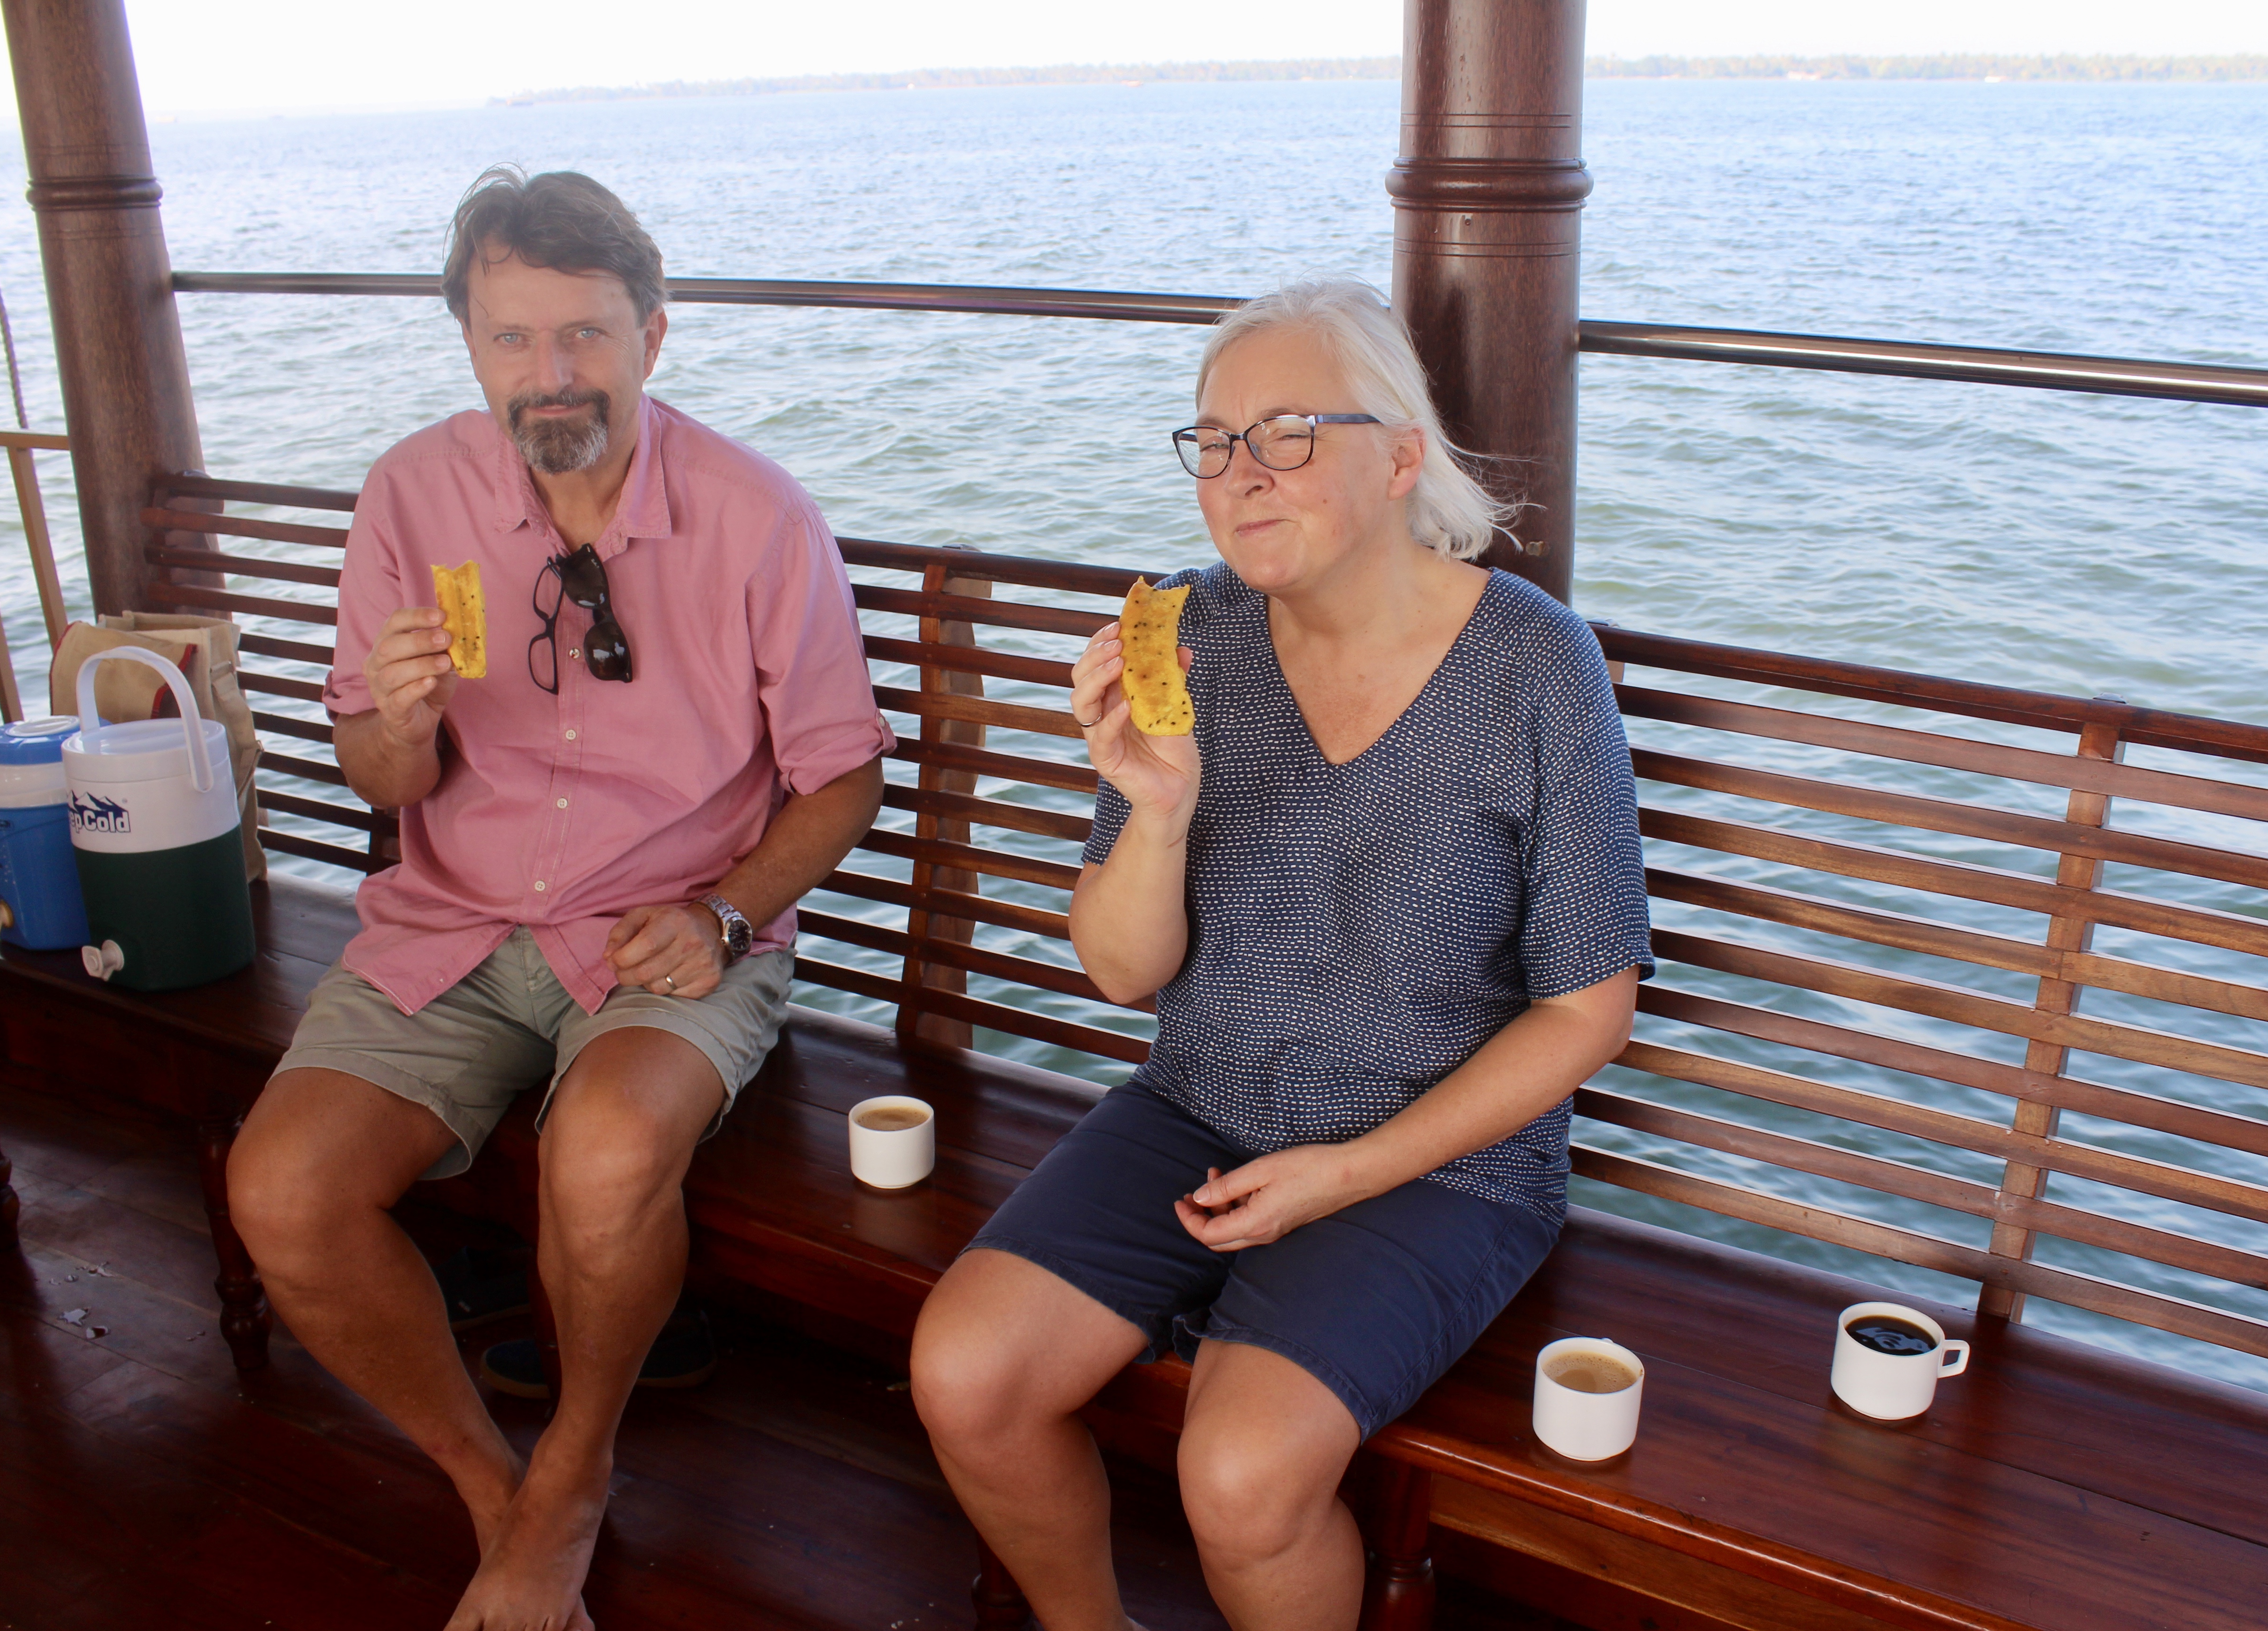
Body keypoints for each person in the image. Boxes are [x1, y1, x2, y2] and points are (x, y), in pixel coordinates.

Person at [909, 279, 1651, 1631]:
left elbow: (1588, 1008)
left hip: (1441, 1162)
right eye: (1214, 441)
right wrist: (1158, 809)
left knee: (1243, 1476)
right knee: (968, 1374)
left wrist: (1342, 1176)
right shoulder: (1188, 640)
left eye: (1290, 434)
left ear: (1402, 457)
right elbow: (1124, 974)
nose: (1241, 474)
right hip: (1203, 1105)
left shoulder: (1538, 667)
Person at [226, 167, 892, 1631]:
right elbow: (383, 777)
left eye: (585, 333)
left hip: (671, 927)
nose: (551, 374)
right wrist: (397, 724)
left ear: (653, 334)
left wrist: (727, 913)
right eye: (512, 337)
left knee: (601, 1157)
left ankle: (575, 1475)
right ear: (471, 345)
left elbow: (845, 777)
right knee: (281, 1192)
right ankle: (493, 1489)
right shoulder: (412, 496)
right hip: (454, 919)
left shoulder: (756, 517)